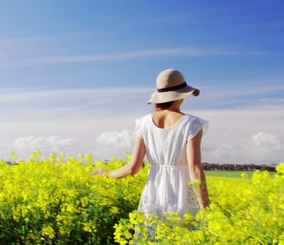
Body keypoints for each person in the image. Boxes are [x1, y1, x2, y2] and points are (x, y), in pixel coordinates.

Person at [90, 68, 210, 240]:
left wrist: (106, 174)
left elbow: (132, 168)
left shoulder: (144, 124)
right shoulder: (192, 125)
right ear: (182, 95)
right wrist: (206, 207)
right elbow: (195, 170)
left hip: (153, 194)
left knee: (151, 238)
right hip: (183, 194)